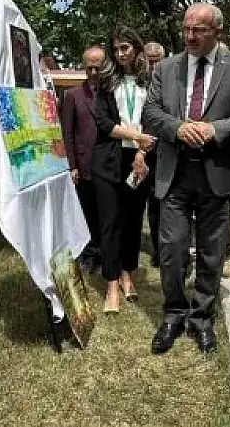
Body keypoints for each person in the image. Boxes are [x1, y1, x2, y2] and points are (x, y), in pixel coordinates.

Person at [143, 3, 230, 354]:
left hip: (216, 174)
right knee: (172, 250)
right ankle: (174, 313)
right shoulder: (165, 68)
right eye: (187, 29)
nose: (190, 36)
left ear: (217, 32)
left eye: (200, 30)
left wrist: (214, 129)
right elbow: (150, 113)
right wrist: (178, 128)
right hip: (175, 175)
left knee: (212, 251)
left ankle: (201, 316)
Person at [92, 27, 155, 313]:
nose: (120, 54)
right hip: (109, 159)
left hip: (139, 158)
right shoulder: (106, 82)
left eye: (126, 48)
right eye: (116, 49)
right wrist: (134, 135)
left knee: (132, 220)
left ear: (137, 49)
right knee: (110, 223)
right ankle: (111, 283)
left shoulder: (150, 81)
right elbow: (103, 123)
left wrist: (142, 151)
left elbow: (153, 119)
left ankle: (128, 273)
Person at [61, 46, 107, 273]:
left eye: (98, 67)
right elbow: (67, 134)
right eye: (89, 67)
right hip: (85, 165)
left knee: (106, 213)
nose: (93, 71)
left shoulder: (112, 94)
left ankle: (106, 253)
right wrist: (71, 166)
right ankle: (90, 253)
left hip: (109, 166)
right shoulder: (73, 96)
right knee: (87, 212)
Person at [144, 41, 167, 266]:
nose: (152, 65)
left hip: (165, 151)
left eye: (156, 60)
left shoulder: (170, 81)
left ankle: (165, 249)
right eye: (149, 61)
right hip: (142, 150)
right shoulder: (140, 83)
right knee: (152, 202)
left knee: (163, 202)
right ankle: (157, 249)